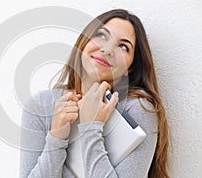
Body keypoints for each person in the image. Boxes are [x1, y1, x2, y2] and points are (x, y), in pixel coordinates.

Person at [20, 9, 169, 178]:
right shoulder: (40, 106)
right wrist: (56, 138)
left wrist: (91, 128)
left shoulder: (138, 109)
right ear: (84, 41)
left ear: (131, 66)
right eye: (102, 35)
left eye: (123, 46)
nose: (107, 50)